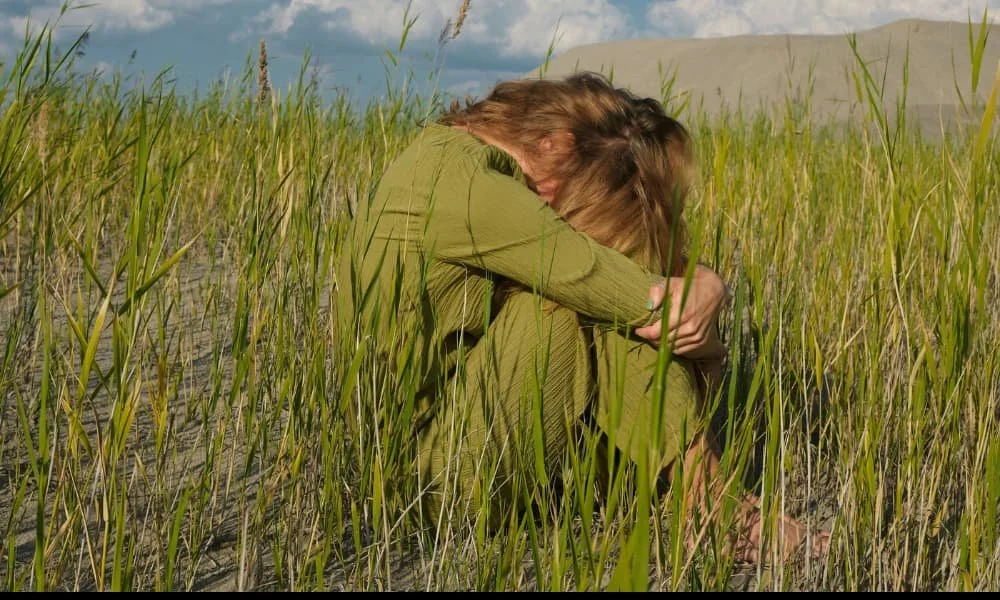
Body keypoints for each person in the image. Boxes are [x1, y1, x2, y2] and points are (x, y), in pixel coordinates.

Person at [334, 72, 828, 563]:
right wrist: (712, 327)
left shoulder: (447, 161)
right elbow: (607, 278)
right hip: (425, 489)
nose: (556, 206)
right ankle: (717, 509)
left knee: (593, 293)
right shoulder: (463, 186)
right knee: (577, 301)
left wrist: (706, 282)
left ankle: (706, 497)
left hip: (462, 440)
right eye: (568, 185)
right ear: (554, 140)